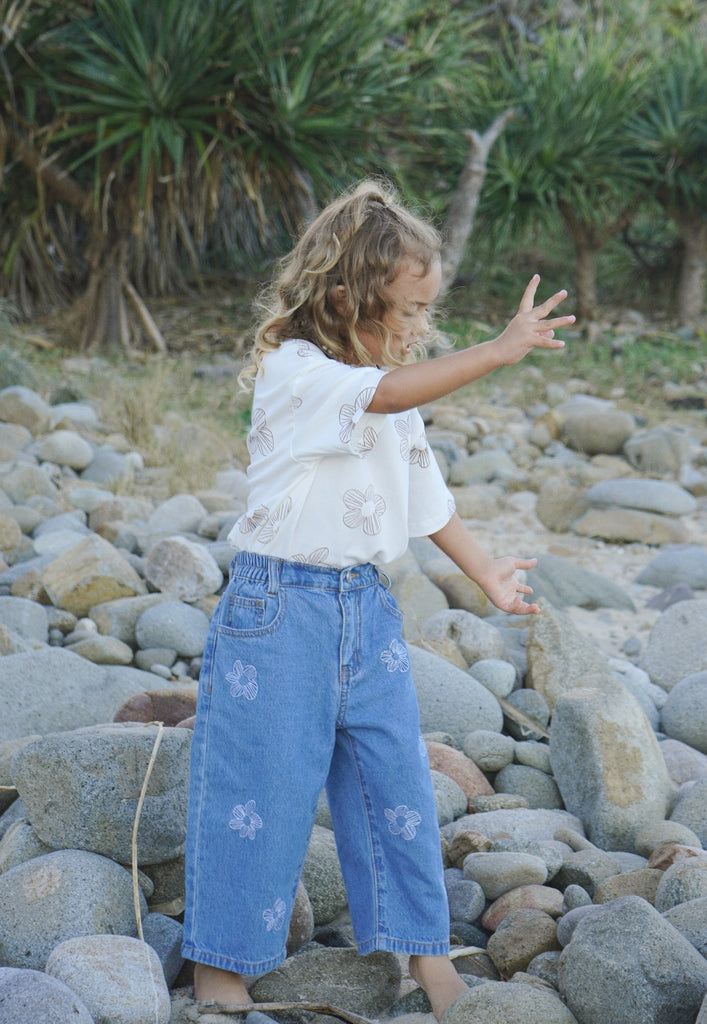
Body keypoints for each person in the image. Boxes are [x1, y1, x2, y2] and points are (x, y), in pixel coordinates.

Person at [182, 179, 574, 1019]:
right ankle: (224, 968)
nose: (418, 324)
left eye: (427, 307)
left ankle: (426, 959)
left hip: (366, 607)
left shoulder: (383, 382)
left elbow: (424, 494)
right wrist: (499, 351)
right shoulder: (301, 373)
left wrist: (485, 573)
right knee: (262, 788)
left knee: (391, 782)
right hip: (278, 609)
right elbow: (391, 397)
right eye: (407, 306)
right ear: (343, 296)